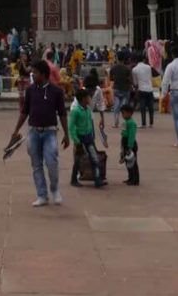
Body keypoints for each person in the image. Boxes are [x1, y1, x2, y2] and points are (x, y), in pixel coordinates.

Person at [7, 58, 70, 207]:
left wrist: (67, 135)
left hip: (50, 132)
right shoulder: (31, 90)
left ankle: (54, 190)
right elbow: (25, 112)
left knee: (52, 162)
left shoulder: (57, 91)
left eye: (34, 73)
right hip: (34, 132)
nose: (32, 75)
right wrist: (16, 130)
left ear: (43, 74)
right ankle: (42, 195)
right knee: (36, 165)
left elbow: (62, 114)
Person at [68, 89, 105, 188]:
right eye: (88, 97)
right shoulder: (75, 111)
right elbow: (71, 127)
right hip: (80, 138)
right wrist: (76, 141)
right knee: (78, 160)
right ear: (83, 99)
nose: (89, 99)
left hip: (88, 137)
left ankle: (97, 180)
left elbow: (89, 124)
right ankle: (74, 179)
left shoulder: (88, 109)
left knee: (94, 158)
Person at [131, 55, 155, 128]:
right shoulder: (148, 67)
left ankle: (143, 123)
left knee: (143, 107)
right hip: (150, 88)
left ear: (135, 61)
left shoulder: (134, 69)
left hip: (141, 89)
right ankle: (151, 123)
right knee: (151, 107)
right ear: (143, 59)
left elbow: (135, 83)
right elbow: (150, 77)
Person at [109, 56, 132, 127]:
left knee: (116, 105)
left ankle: (116, 122)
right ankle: (126, 122)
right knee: (124, 106)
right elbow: (129, 79)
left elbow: (111, 78)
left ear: (117, 59)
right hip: (126, 89)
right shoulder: (127, 68)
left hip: (117, 88)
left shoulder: (114, 67)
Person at [119, 103, 139, 185]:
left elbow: (131, 136)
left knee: (132, 163)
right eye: (122, 113)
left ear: (130, 113)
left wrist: (129, 148)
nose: (122, 115)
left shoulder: (131, 123)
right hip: (125, 143)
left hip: (130, 144)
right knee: (128, 163)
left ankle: (135, 179)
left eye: (124, 113)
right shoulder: (126, 122)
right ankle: (130, 178)